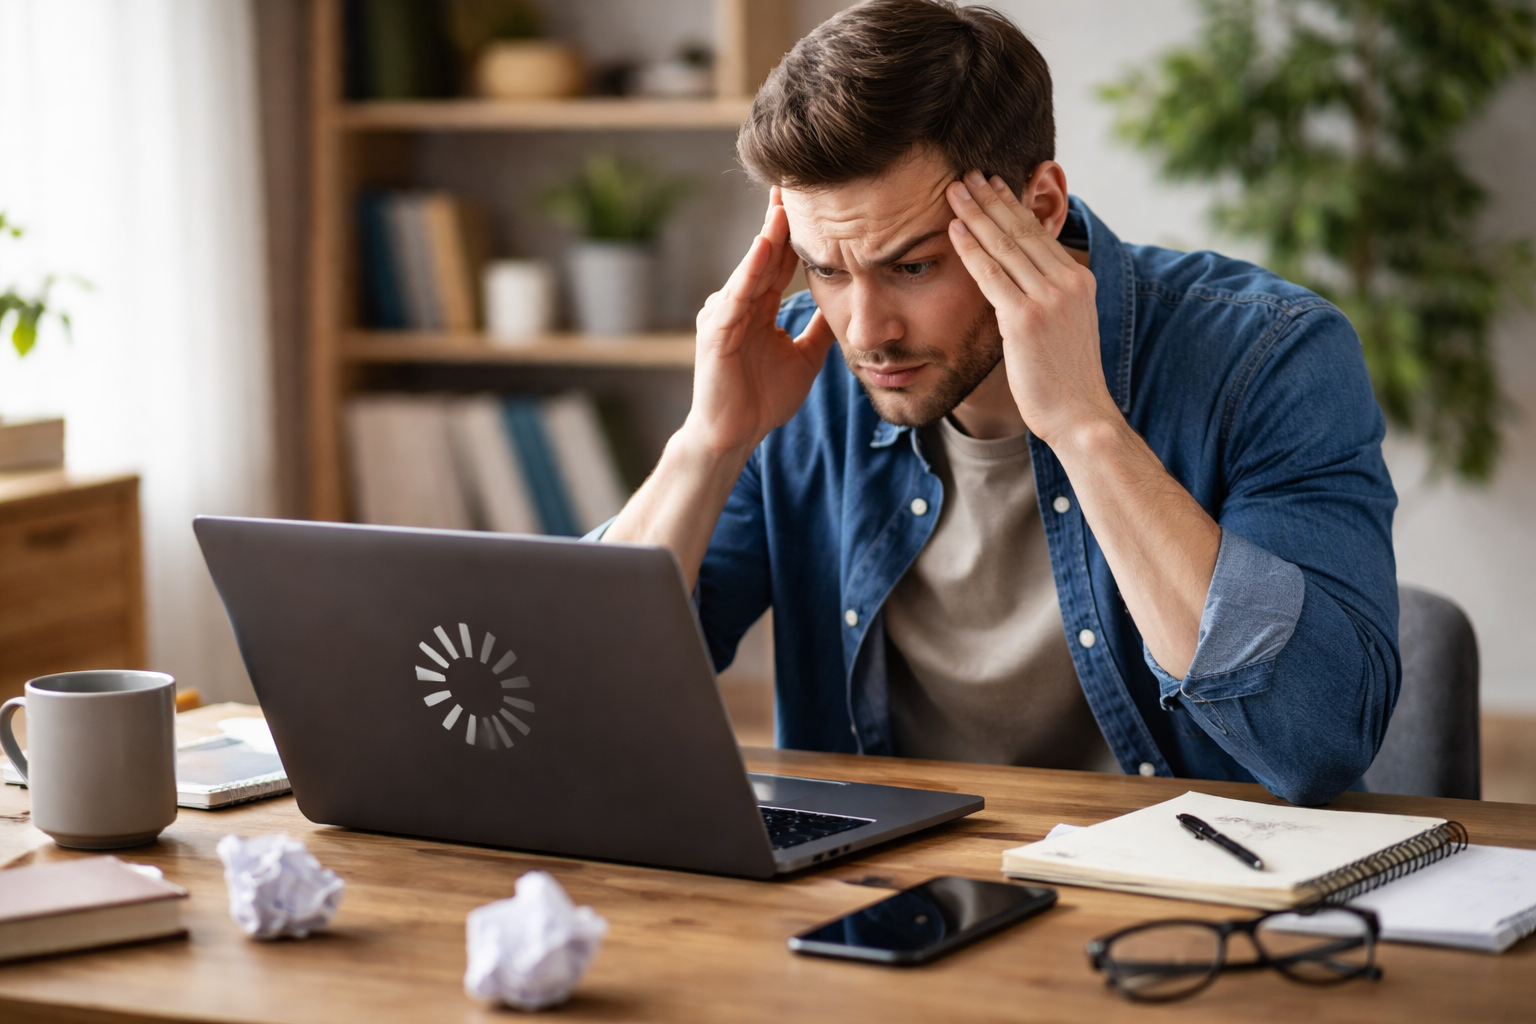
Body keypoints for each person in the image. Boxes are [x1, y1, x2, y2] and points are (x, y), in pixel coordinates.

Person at [600, 0, 1399, 806]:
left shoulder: (1269, 353)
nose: (866, 332)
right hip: (885, 900)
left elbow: (1319, 741)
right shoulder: (795, 365)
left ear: (1041, 209)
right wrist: (707, 446)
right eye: (827, 271)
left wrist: (1086, 427)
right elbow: (591, 699)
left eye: (912, 267)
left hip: (1189, 903)